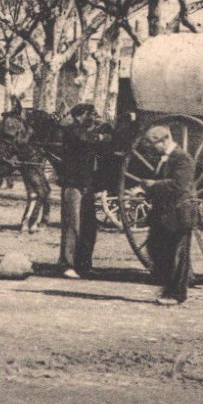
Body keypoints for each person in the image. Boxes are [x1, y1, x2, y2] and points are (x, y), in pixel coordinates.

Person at [134, 124, 196, 305]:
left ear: (165, 140)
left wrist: (153, 185)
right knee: (155, 247)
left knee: (176, 253)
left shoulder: (183, 158)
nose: (153, 150)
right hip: (164, 213)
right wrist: (144, 191)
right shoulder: (165, 158)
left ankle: (176, 294)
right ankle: (169, 287)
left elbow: (178, 186)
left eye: (154, 145)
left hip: (179, 212)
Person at [58, 103, 110, 279]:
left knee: (89, 226)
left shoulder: (81, 129)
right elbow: (87, 140)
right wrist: (103, 136)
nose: (94, 117)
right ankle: (67, 265)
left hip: (85, 185)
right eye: (91, 114)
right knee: (73, 226)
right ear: (81, 114)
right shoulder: (72, 130)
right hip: (74, 185)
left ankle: (84, 265)